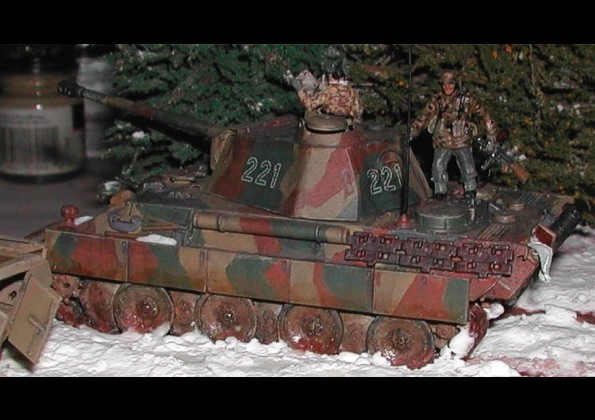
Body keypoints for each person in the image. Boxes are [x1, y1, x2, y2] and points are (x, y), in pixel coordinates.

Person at [410, 70, 498, 201]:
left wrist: (491, 134)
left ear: (455, 84)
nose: (447, 87)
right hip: (442, 140)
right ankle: (440, 191)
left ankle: (470, 188)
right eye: (444, 84)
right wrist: (413, 131)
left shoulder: (467, 100)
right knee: (438, 166)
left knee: (467, 165)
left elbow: (485, 114)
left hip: (462, 140)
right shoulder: (437, 101)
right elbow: (424, 116)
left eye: (450, 84)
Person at [295, 69, 362, 128]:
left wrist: (300, 90)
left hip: (328, 123)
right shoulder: (353, 92)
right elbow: (358, 112)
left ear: (331, 77)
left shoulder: (329, 90)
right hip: (344, 125)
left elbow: (310, 105)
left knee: (308, 114)